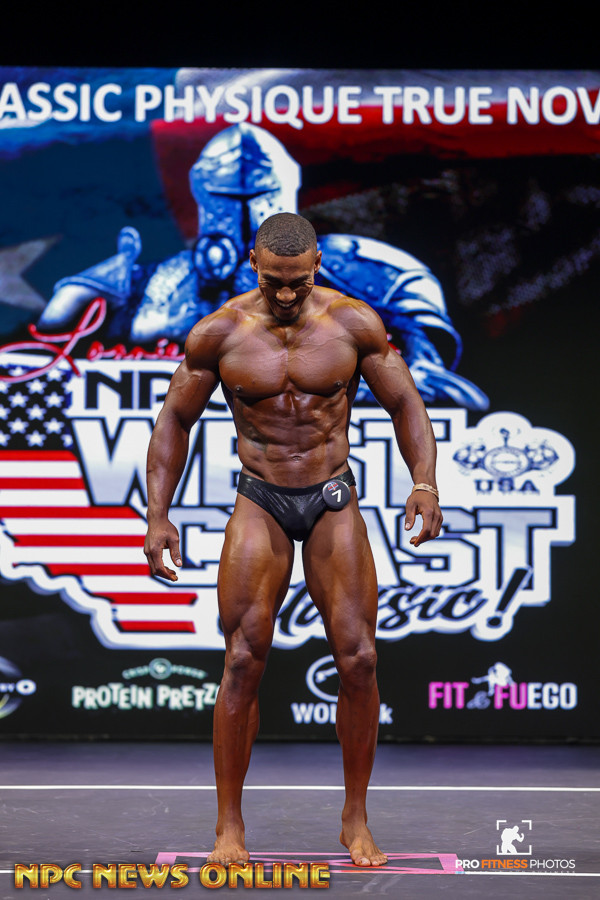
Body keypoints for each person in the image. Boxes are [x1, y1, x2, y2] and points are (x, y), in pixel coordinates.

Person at [144, 212, 443, 867]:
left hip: (332, 496)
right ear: (254, 262)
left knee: (359, 659)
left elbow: (405, 403)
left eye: (298, 281)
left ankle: (355, 819)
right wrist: (157, 515)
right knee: (242, 661)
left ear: (316, 265)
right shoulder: (219, 332)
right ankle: (229, 828)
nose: (285, 293)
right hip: (262, 499)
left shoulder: (352, 324)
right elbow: (174, 421)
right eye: (274, 280)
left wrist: (424, 481)